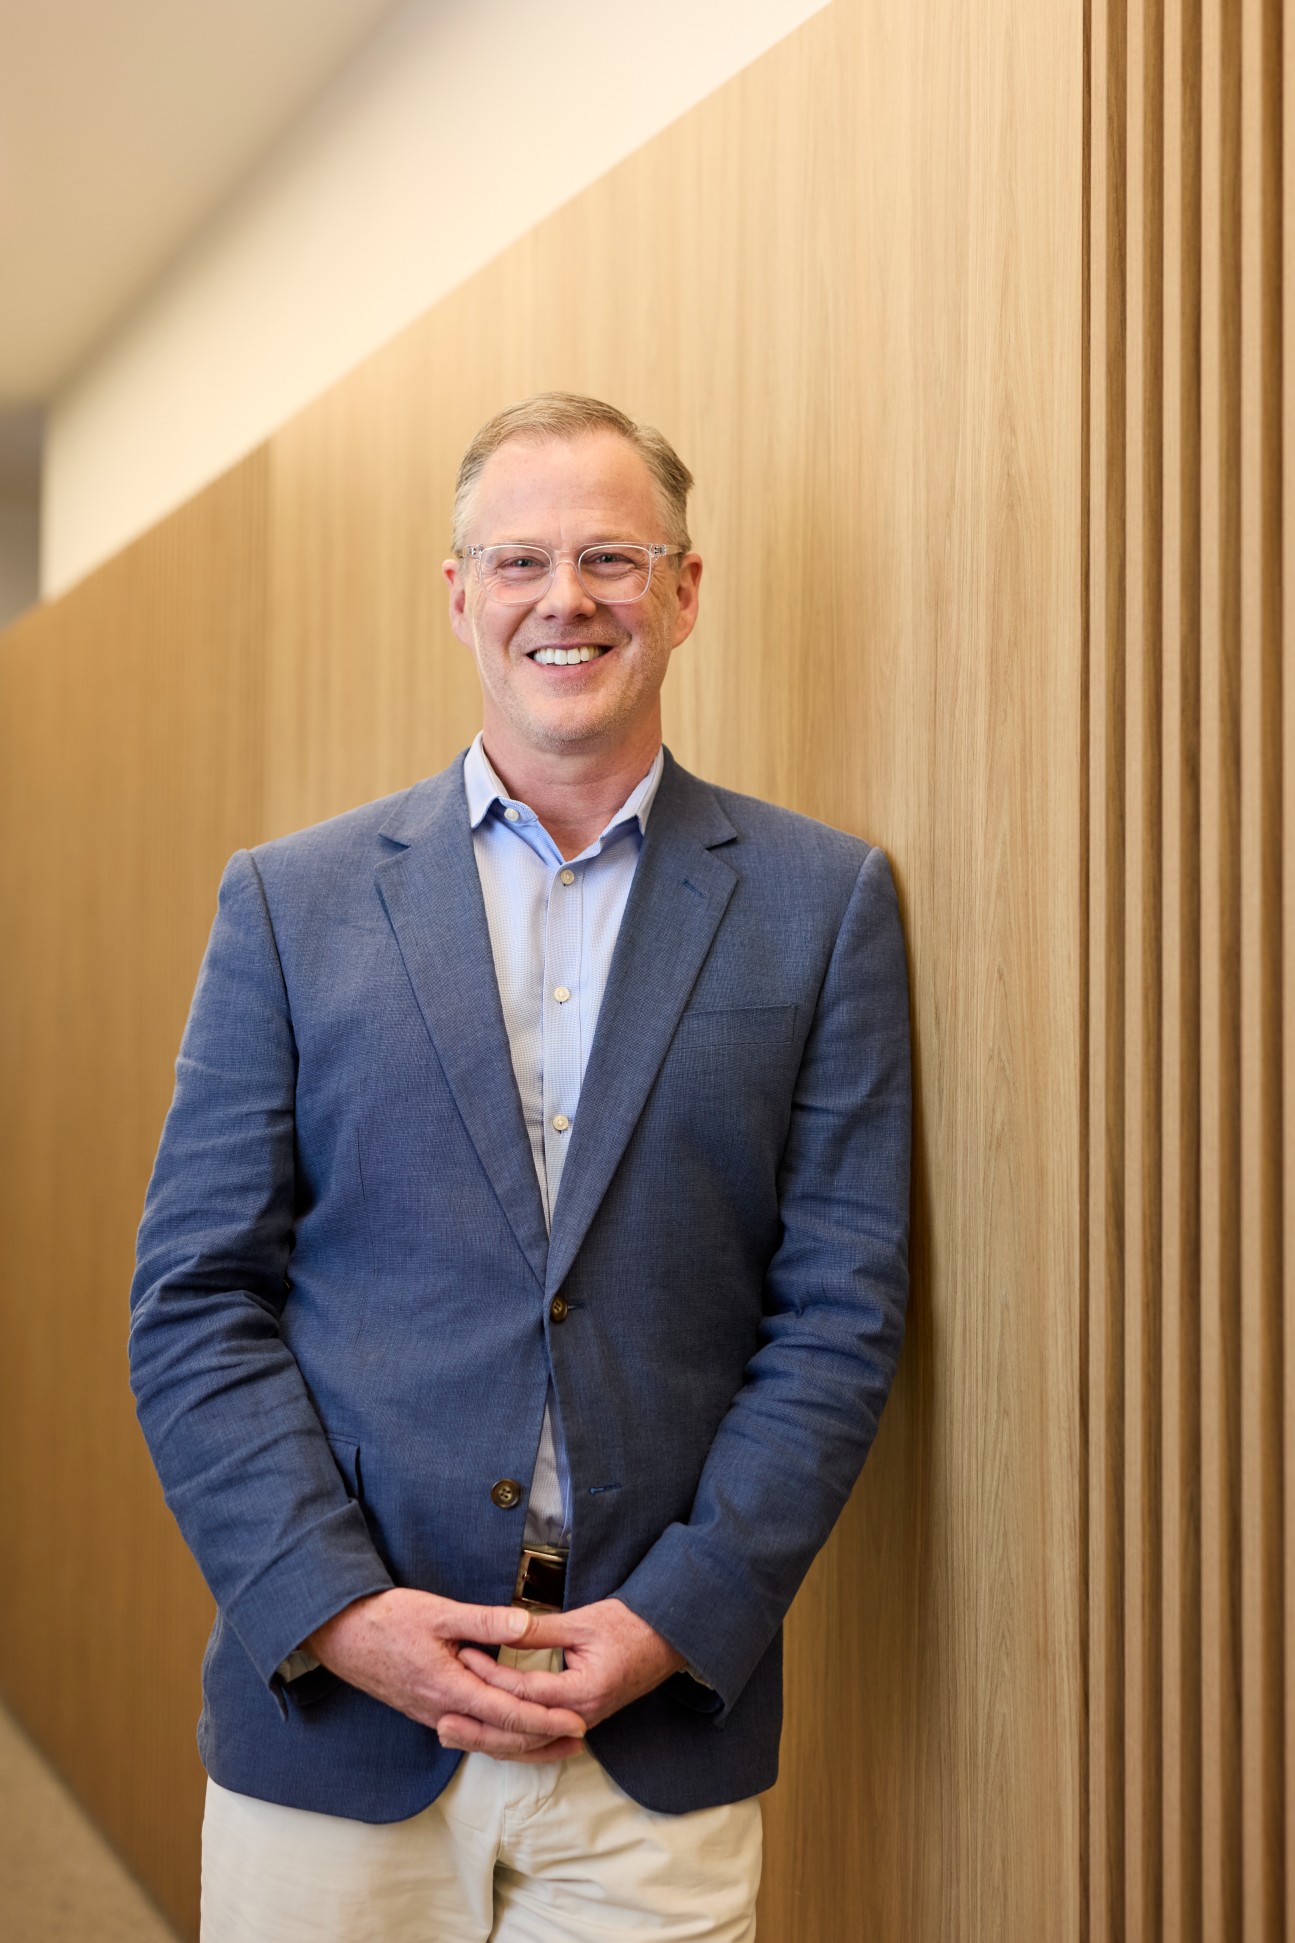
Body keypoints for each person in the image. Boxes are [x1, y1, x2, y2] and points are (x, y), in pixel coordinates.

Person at [129, 391, 912, 1941]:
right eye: (521, 561)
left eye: (614, 558)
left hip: (654, 1731)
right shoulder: (292, 905)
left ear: (685, 592)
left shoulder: (823, 907)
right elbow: (194, 1302)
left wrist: (675, 1621)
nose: (567, 600)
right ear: (460, 595)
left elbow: (837, 1316)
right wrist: (343, 1616)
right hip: (338, 1727)